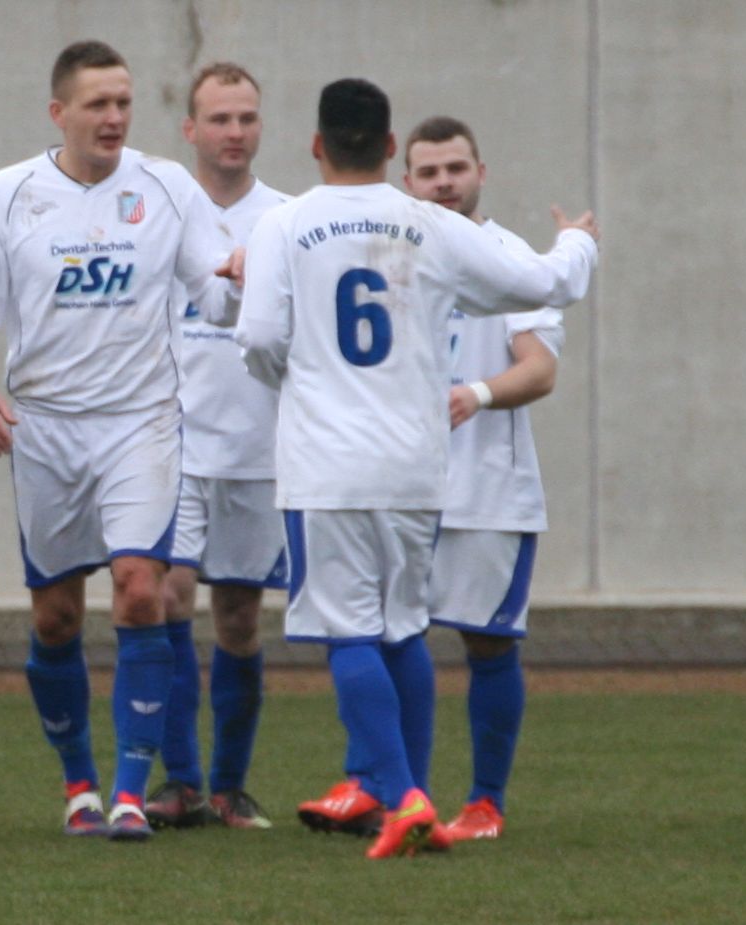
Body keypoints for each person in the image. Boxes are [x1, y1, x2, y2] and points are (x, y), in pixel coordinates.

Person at [235, 78, 598, 859]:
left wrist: (302, 383)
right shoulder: (427, 223)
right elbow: (544, 283)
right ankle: (419, 794)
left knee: (347, 630)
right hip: (413, 461)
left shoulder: (283, 223)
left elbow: (260, 337)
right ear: (392, 148)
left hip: (326, 462)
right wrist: (577, 241)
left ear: (315, 145)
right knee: (401, 627)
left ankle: (400, 796)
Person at [0, 40, 240, 842]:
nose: (113, 118)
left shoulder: (167, 187)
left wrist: (243, 282)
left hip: (140, 421)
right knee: (55, 618)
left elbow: (212, 290)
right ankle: (78, 783)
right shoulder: (8, 195)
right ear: (57, 112)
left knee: (140, 587)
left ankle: (133, 790)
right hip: (45, 429)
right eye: (97, 104)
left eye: (123, 103)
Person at [403, 116, 562, 842]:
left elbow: (539, 367)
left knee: (487, 644)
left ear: (480, 172)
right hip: (394, 489)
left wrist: (477, 394)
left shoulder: (511, 259)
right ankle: (392, 792)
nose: (442, 183)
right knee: (382, 640)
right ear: (406, 182)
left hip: (487, 493)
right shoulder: (388, 259)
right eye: (428, 171)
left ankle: (484, 803)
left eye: (454, 169)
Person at [143, 62, 286, 832]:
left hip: (258, 451)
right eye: (220, 119)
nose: (234, 133)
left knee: (236, 617)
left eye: (246, 118)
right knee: (166, 596)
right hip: (173, 445)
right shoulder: (160, 216)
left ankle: (229, 785)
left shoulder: (290, 220)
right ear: (190, 129)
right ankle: (181, 780)